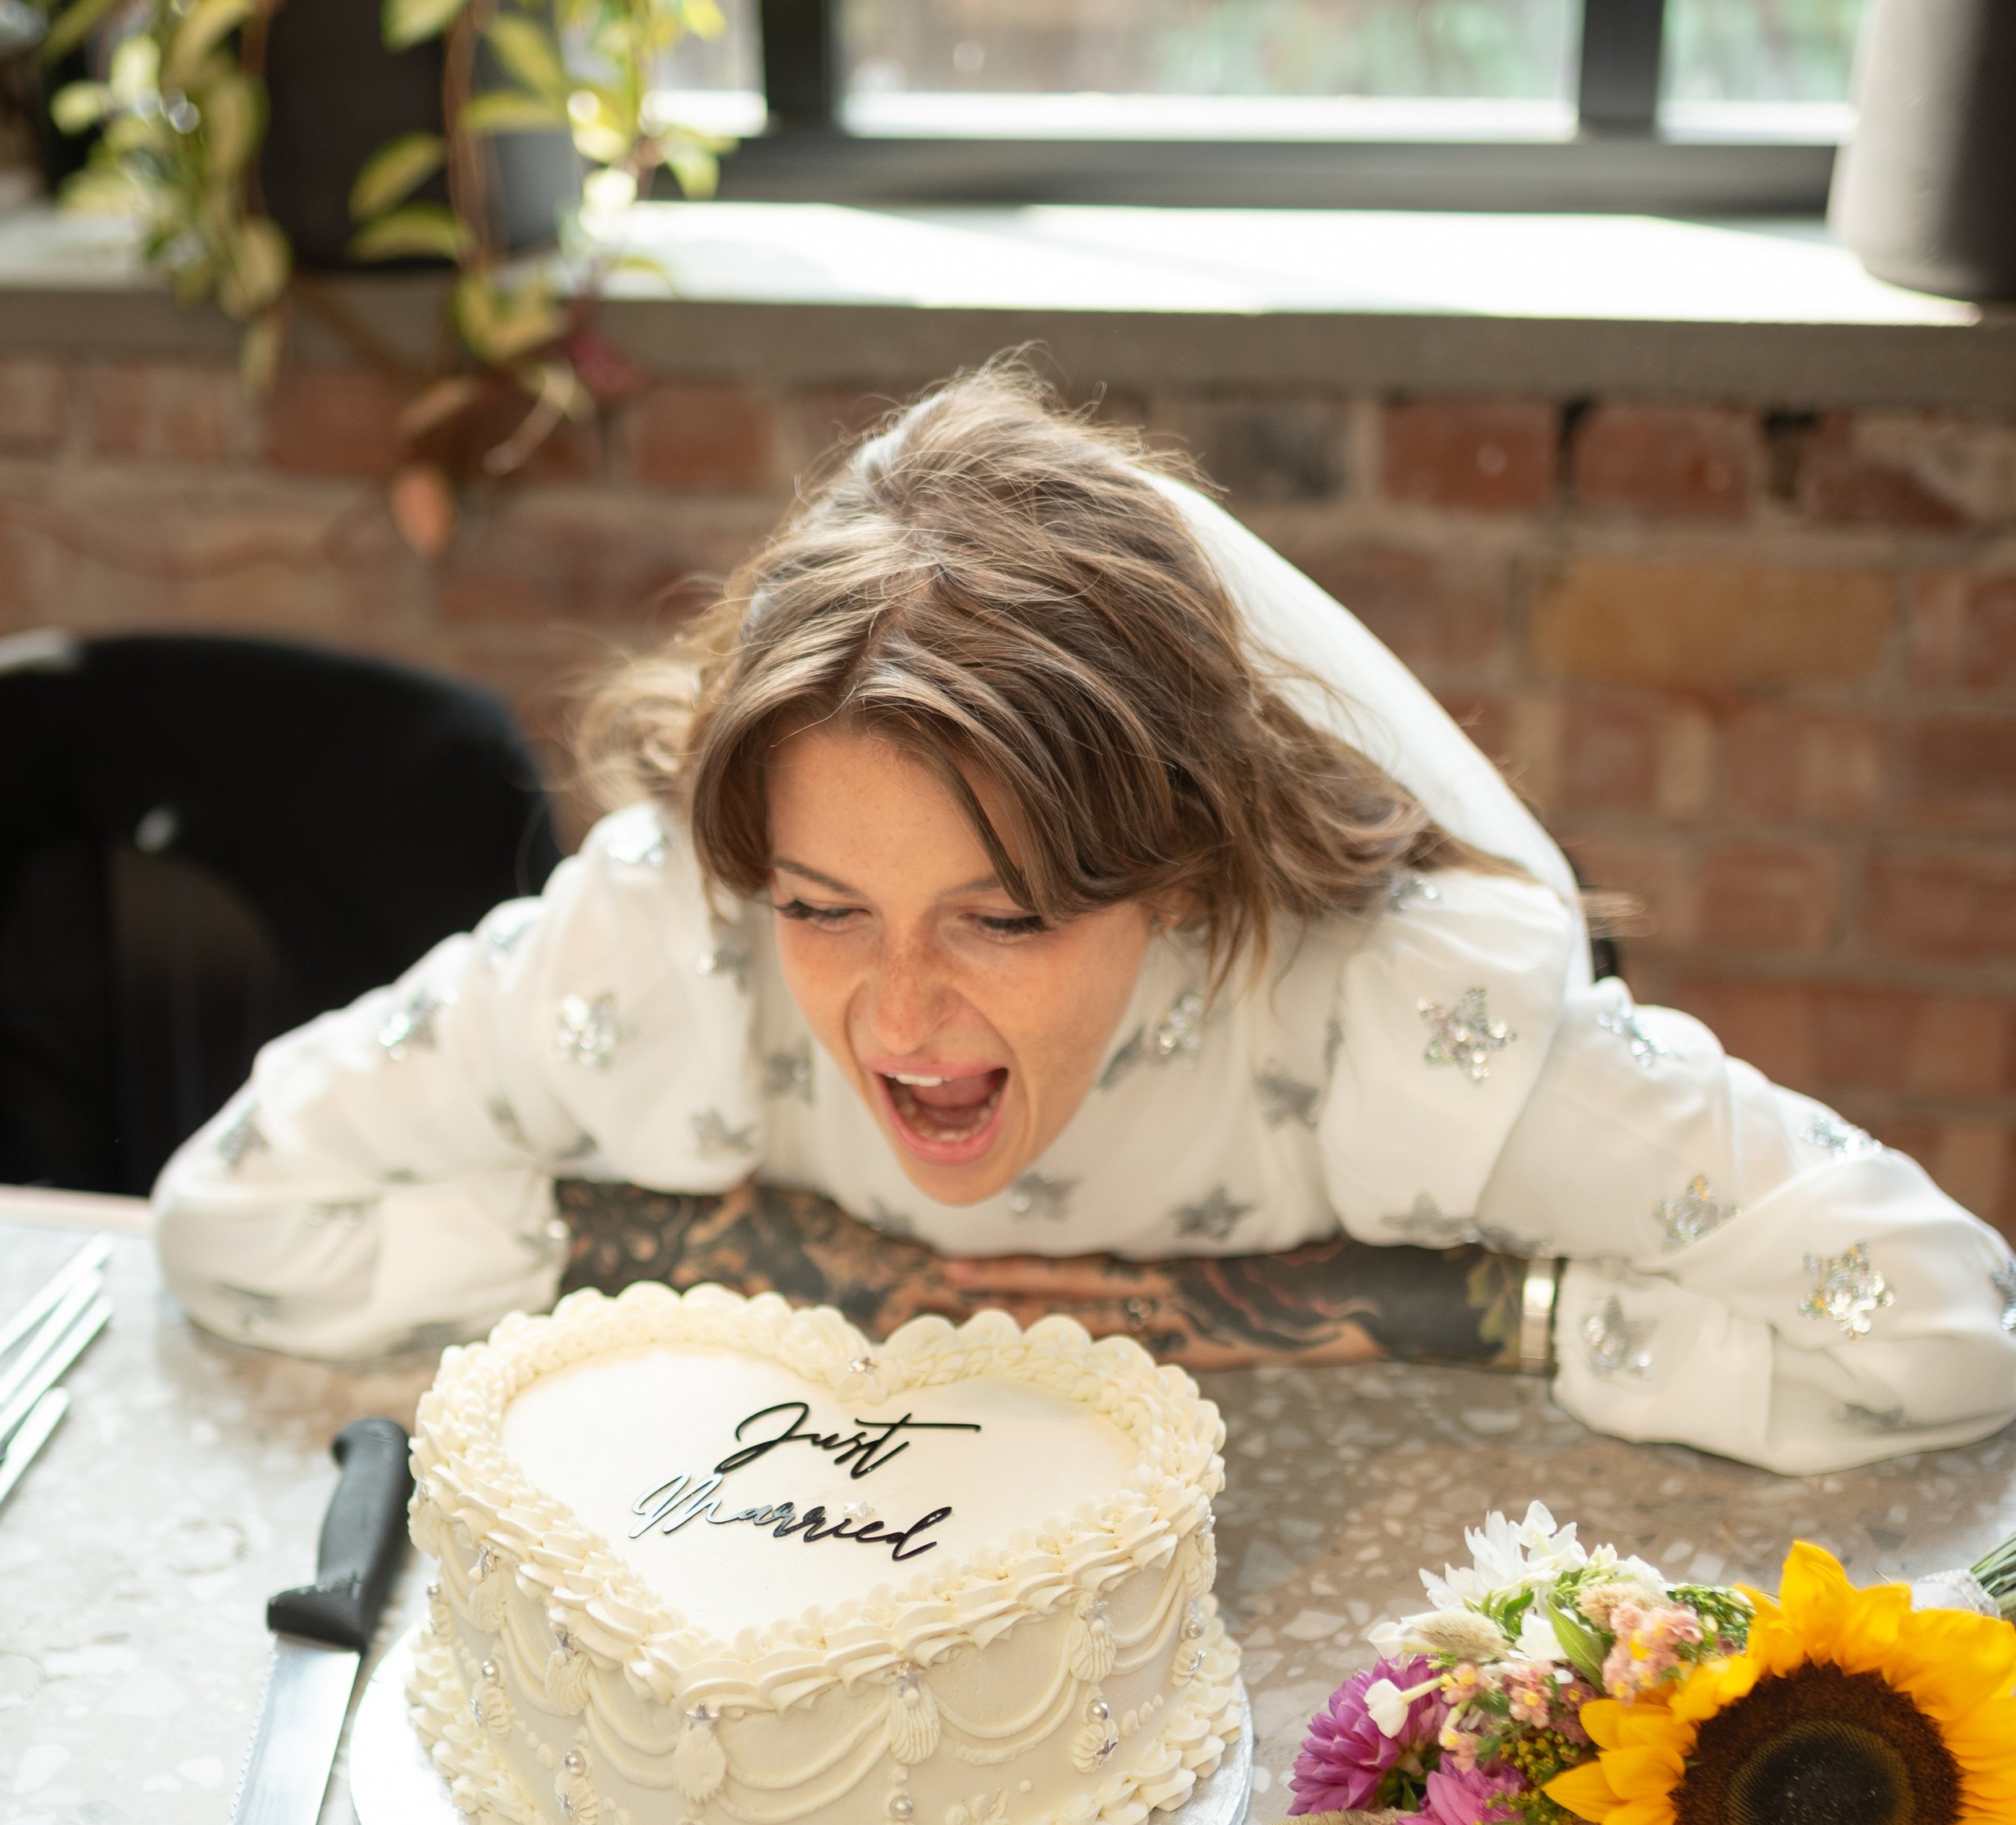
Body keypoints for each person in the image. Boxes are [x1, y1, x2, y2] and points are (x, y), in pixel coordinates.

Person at [155, 361, 2016, 1476]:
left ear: (1184, 875)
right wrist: (774, 1264)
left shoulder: (1384, 1024)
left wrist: (1480, 1320)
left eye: (1005, 917)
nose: (896, 1018)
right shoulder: (668, 954)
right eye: (825, 904)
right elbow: (240, 1212)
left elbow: (1940, 1327)